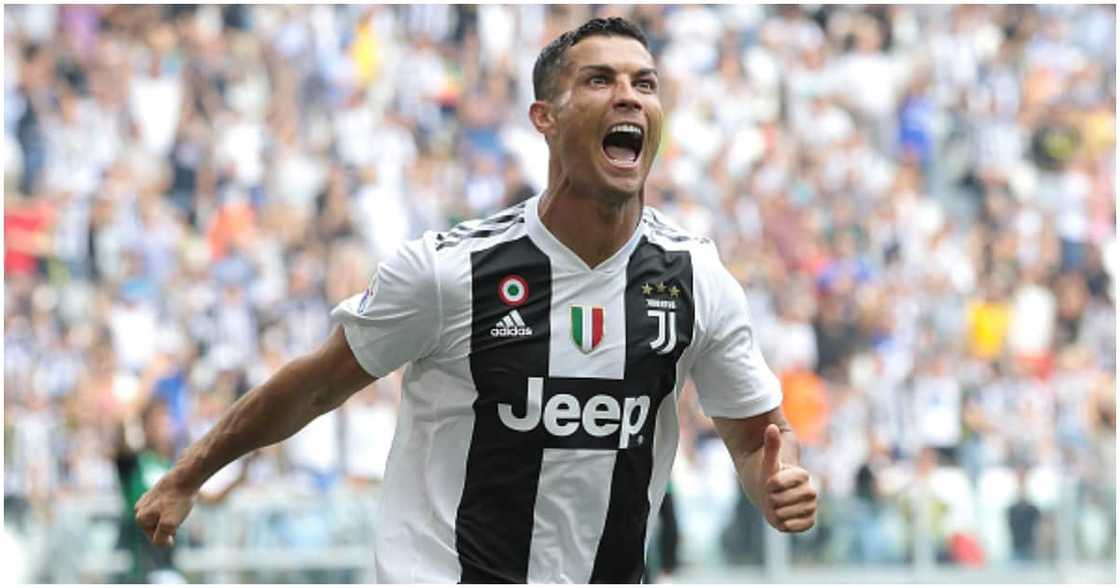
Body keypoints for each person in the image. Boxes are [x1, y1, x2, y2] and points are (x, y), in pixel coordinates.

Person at [135, 17, 818, 582]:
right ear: (544, 118)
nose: (629, 97)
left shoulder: (695, 280)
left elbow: (757, 442)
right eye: (599, 80)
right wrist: (187, 476)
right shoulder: (450, 272)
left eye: (645, 83)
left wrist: (777, 486)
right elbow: (313, 388)